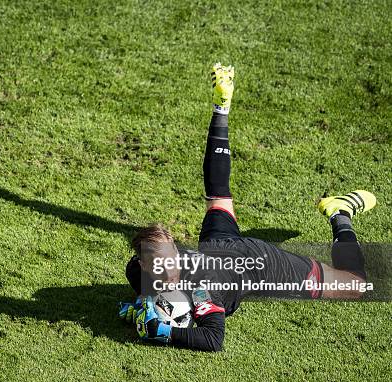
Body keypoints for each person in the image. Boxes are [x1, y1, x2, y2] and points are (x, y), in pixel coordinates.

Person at [118, 63, 377, 351]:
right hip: (218, 246)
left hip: (263, 265)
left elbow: (213, 339)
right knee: (218, 197)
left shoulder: (204, 288)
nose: (170, 272)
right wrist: (143, 303)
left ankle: (340, 212)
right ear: (143, 265)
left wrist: (163, 332)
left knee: (354, 286)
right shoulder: (137, 271)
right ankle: (221, 109)